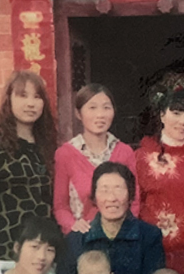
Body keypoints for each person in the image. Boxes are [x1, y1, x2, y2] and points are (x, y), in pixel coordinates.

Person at [0, 70, 57, 266]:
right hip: (6, 249)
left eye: (37, 97)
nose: (31, 103)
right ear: (9, 100)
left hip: (45, 250)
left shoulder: (49, 146)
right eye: (23, 95)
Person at [136, 84, 184, 274]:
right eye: (176, 113)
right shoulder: (141, 155)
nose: (183, 122)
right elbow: (134, 203)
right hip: (150, 246)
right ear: (162, 115)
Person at [64, 162, 164, 274]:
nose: (111, 198)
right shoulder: (78, 238)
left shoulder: (149, 236)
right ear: (95, 196)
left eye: (118, 189)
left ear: (130, 195)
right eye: (104, 190)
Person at [53, 84, 139, 234]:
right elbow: (61, 206)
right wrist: (73, 225)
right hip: (84, 236)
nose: (100, 115)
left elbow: (135, 199)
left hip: (120, 236)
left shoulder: (125, 152)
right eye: (92, 108)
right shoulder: (65, 154)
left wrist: (125, 229)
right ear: (78, 113)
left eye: (106, 108)